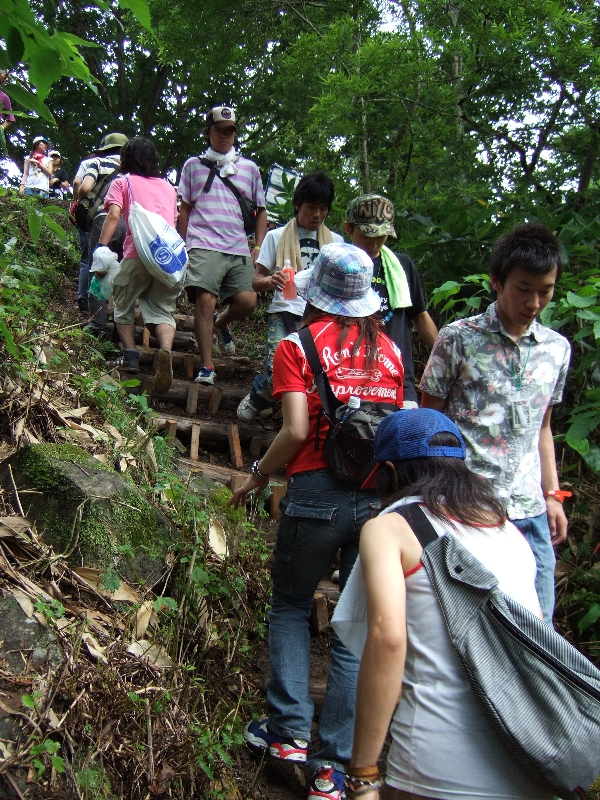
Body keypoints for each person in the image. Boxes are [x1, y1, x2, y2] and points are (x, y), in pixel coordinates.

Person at [229, 243, 404, 800]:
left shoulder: (297, 346)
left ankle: (287, 735)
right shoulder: (393, 356)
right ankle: (332, 766)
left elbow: (298, 431)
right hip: (375, 503)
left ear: (315, 293)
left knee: (290, 605)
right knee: (353, 629)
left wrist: (256, 475)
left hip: (313, 495)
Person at [333, 408, 554, 800]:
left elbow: (387, 640)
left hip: (435, 764)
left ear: (390, 471)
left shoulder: (389, 528)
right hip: (530, 756)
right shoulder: (510, 533)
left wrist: (364, 772)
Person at [419, 222, 571, 624]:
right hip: (464, 502)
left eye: (546, 289)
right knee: (470, 623)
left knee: (539, 623)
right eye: (524, 288)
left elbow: (543, 427)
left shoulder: (556, 350)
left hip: (528, 509)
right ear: (497, 282)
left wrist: (552, 494)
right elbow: (429, 419)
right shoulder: (458, 339)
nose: (535, 301)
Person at [237, 171, 344, 421]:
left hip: (321, 317)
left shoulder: (336, 243)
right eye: (311, 208)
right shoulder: (276, 237)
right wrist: (270, 280)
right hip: (284, 311)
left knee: (311, 373)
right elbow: (255, 281)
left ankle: (286, 415)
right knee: (277, 367)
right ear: (297, 205)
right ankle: (256, 396)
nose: (317, 215)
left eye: (323, 209)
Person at [178, 106, 267, 385]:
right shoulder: (193, 166)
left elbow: (261, 210)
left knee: (248, 300)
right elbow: (185, 209)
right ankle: (207, 365)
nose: (224, 136)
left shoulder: (249, 168)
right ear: (209, 132)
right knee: (205, 300)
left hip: (238, 246)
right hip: (203, 242)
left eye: (230, 131)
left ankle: (221, 323)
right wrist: (183, 245)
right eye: (219, 130)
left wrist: (259, 246)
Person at [93, 137, 179, 393]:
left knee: (123, 301)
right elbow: (172, 220)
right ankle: (165, 351)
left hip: (137, 254)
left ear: (126, 159)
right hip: (168, 259)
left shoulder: (123, 182)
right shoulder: (168, 187)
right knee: (163, 310)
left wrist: (102, 247)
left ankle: (130, 354)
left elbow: (114, 214)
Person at [345, 194, 438, 407]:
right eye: (368, 235)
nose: (375, 243)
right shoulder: (338, 266)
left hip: (398, 377)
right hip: (348, 374)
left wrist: (448, 356)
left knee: (402, 436)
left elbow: (420, 317)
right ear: (348, 228)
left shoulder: (401, 266)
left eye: (382, 235)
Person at [79, 132, 129, 336]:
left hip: (104, 219)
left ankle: (97, 325)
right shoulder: (132, 170)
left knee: (99, 269)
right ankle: (120, 329)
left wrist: (82, 202)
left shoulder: (98, 163)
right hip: (129, 223)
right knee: (123, 275)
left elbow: (85, 186)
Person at [71, 152, 97, 313]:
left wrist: (77, 202)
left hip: (85, 213)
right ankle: (96, 298)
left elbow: (76, 183)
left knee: (86, 258)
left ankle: (82, 296)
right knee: (100, 257)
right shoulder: (109, 165)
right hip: (102, 215)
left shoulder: (87, 163)